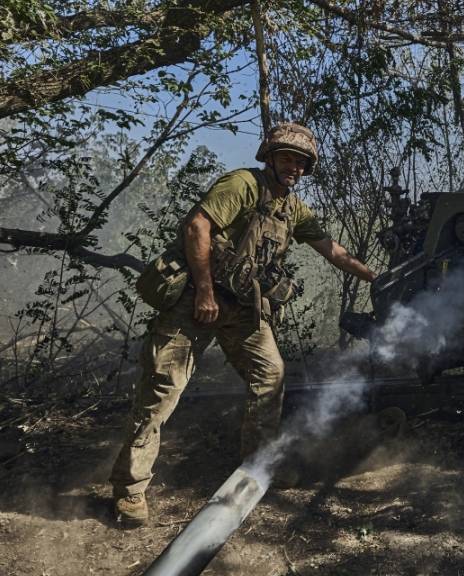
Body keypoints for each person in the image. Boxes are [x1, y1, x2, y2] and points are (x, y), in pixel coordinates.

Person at [109, 123, 375, 526]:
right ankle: (130, 491)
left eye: (301, 162)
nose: (294, 167)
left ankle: (258, 469)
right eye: (287, 157)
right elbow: (198, 227)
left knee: (271, 376)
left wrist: (376, 277)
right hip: (195, 301)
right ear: (269, 156)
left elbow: (331, 250)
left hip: (242, 309)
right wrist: (203, 293)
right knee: (162, 390)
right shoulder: (243, 184)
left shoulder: (293, 208)